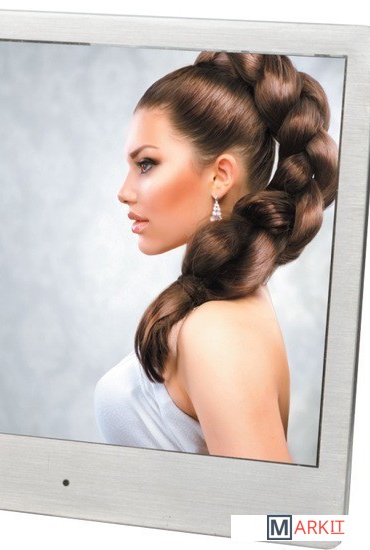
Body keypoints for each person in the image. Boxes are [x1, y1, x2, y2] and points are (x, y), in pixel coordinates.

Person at [94, 51, 338, 463]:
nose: (124, 191)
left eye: (147, 164)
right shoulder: (224, 309)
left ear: (220, 175)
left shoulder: (217, 331)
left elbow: (269, 506)